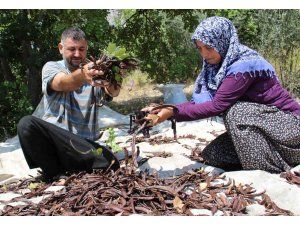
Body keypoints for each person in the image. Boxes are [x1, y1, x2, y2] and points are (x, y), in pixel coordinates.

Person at [142, 16, 300, 173]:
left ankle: (269, 170)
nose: (204, 54)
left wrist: (171, 113)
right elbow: (199, 103)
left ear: (222, 41)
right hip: (265, 129)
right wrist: (163, 108)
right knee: (213, 155)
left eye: (209, 47)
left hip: (290, 128)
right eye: (200, 48)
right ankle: (276, 158)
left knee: (237, 113)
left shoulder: (243, 66)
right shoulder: (218, 66)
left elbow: (217, 105)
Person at [17, 27, 122, 181]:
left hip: (83, 146)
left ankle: (70, 170)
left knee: (111, 163)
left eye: (81, 49)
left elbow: (113, 92)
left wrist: (115, 76)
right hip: (57, 145)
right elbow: (63, 83)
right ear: (61, 48)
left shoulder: (97, 71)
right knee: (26, 124)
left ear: (86, 48)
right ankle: (54, 173)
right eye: (72, 49)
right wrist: (83, 74)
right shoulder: (52, 67)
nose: (77, 54)